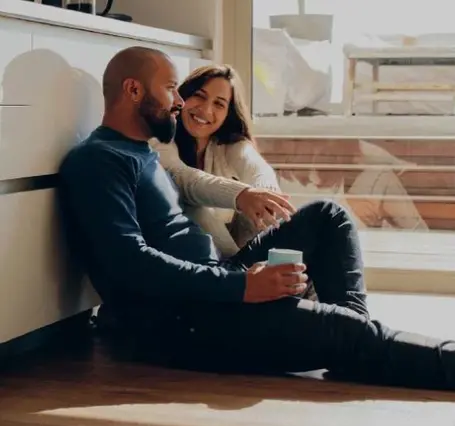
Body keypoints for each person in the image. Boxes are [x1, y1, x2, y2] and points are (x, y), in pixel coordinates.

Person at [59, 46, 455, 391]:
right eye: (170, 89)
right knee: (347, 334)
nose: (178, 101)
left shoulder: (144, 152)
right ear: (133, 90)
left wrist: (240, 278)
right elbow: (131, 264)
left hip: (215, 286)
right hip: (187, 322)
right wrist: (241, 287)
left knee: (327, 216)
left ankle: (344, 340)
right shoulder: (98, 161)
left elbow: (211, 183)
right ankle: (347, 340)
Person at [152, 64, 281, 258]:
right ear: (183, 96)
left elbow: (258, 170)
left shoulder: (230, 145)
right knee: (195, 206)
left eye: (219, 104)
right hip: (181, 251)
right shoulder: (161, 139)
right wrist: (241, 195)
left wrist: (265, 196)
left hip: (233, 250)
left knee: (328, 211)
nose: (205, 110)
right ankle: (241, 270)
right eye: (199, 96)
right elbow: (185, 179)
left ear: (228, 113)